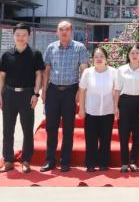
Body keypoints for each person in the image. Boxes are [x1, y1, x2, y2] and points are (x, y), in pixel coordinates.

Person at [41, 21, 89, 172]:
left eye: (66, 29)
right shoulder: (51, 47)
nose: (64, 32)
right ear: (57, 32)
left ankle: (65, 161)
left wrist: (80, 91)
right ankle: (50, 160)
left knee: (68, 128)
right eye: (61, 29)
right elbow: (46, 70)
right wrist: (44, 90)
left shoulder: (79, 48)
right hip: (53, 91)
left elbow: (84, 70)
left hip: (71, 91)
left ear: (71, 31)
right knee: (51, 128)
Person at [0, 23, 45, 173]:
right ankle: (8, 161)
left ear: (29, 36)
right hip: (9, 95)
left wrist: (36, 94)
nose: (20, 37)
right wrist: (0, 96)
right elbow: (2, 76)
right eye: (17, 34)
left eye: (24, 35)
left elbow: (39, 75)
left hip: (27, 95)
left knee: (27, 129)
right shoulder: (7, 55)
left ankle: (26, 160)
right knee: (7, 129)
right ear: (13, 36)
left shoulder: (35, 54)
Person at [114, 46, 139, 173]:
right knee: (124, 135)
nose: (135, 55)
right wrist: (115, 106)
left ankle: (133, 162)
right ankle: (124, 163)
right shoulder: (121, 70)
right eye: (132, 53)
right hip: (124, 102)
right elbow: (117, 89)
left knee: (137, 134)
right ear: (128, 55)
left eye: (137, 53)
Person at [78, 47, 117, 172]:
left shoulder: (113, 72)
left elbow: (117, 92)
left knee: (106, 138)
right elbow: (82, 91)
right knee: (91, 138)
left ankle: (103, 163)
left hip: (108, 110)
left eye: (101, 56)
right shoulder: (88, 72)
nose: (99, 59)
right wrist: (81, 108)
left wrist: (116, 107)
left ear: (106, 58)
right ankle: (90, 163)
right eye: (96, 57)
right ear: (92, 59)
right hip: (91, 111)